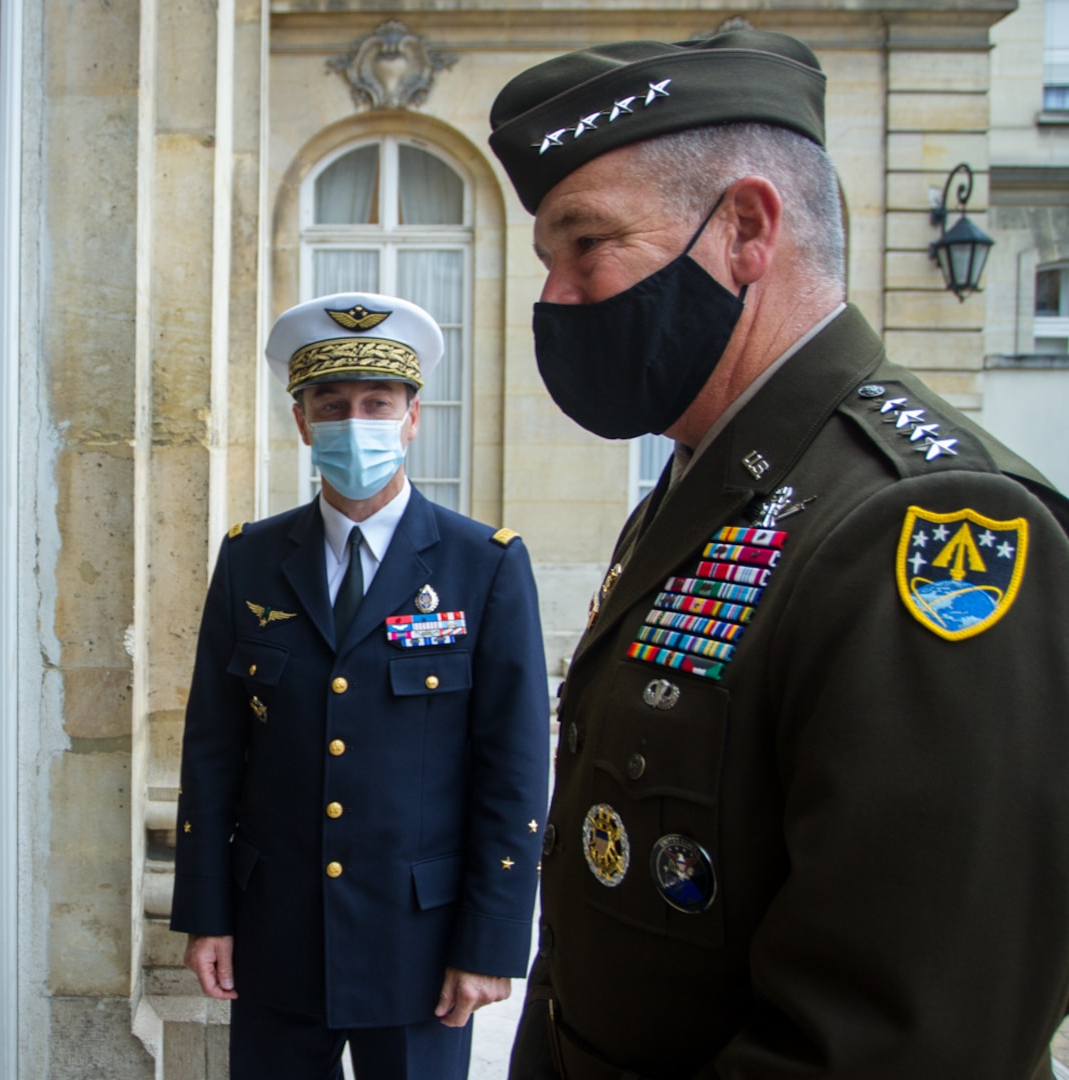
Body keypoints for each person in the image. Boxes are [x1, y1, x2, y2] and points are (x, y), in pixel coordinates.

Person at [487, 30, 1069, 1079]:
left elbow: (898, 1041)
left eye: (587, 244)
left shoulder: (930, 526)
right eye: (548, 260)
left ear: (746, 228)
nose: (556, 298)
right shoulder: (712, 483)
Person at [170, 292, 551, 1079]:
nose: (356, 423)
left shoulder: (484, 566)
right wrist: (207, 916)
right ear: (303, 423)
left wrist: (491, 940)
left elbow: (513, 774)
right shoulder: (251, 558)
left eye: (377, 404)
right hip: (276, 939)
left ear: (413, 418)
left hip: (421, 946)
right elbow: (213, 751)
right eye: (332, 405)